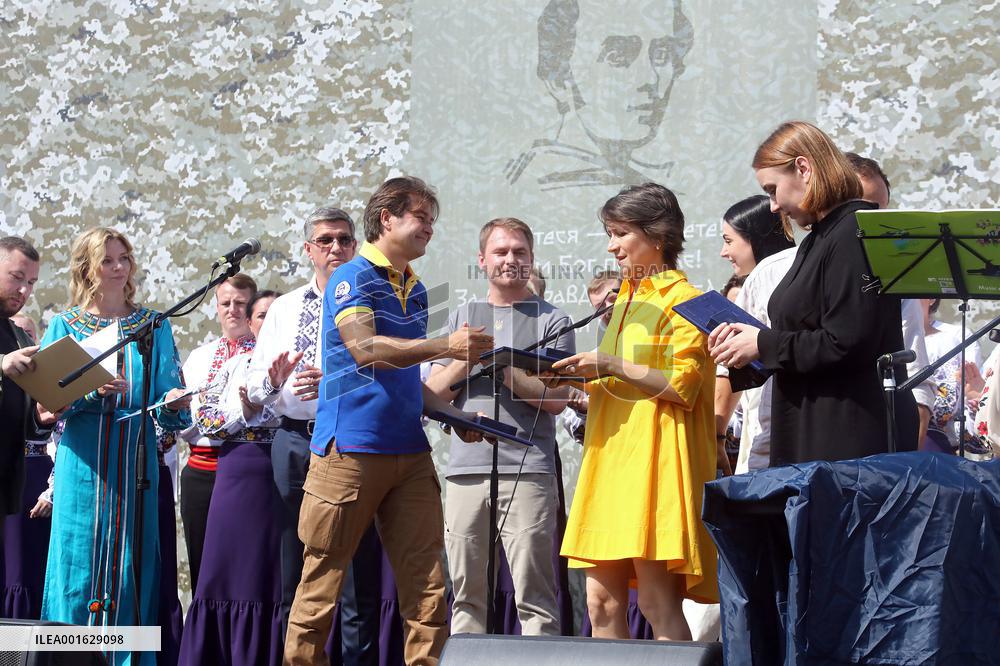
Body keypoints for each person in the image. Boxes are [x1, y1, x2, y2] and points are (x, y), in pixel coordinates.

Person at [283, 176, 494, 666]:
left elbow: (404, 381)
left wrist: (454, 415)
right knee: (321, 585)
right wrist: (446, 346)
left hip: (410, 453)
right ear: (387, 218)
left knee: (428, 588)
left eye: (431, 220)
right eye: (421, 217)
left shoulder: (415, 288)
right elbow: (365, 349)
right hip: (349, 453)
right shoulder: (351, 276)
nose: (429, 228)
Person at [542, 182, 719, 640]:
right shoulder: (624, 299)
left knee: (658, 603)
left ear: (657, 235)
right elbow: (624, 385)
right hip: (609, 461)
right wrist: (575, 377)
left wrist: (609, 363)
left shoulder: (686, 299)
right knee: (600, 604)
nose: (612, 246)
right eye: (610, 233)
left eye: (621, 233)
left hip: (651, 467)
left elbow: (682, 386)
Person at [709, 121, 918, 465]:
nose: (773, 205)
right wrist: (744, 343)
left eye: (772, 190)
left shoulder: (853, 234)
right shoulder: (822, 238)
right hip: (814, 433)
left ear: (804, 169)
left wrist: (762, 343)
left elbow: (846, 341)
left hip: (844, 444)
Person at [39, 228, 190, 666]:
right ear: (87, 268)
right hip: (82, 463)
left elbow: (167, 401)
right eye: (107, 260)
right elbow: (47, 403)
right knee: (76, 565)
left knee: (130, 567)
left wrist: (174, 402)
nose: (119, 267)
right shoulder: (64, 325)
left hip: (134, 463)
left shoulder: (153, 325)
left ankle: (128, 660)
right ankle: (67, 659)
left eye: (123, 257)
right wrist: (91, 391)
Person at [426, 217, 574, 636]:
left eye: (519, 252)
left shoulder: (553, 320)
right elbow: (434, 392)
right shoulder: (463, 316)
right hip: (465, 471)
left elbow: (557, 399)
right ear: (482, 260)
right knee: (466, 596)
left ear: (532, 258)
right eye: (501, 251)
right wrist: (467, 358)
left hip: (527, 471)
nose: (510, 259)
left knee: (534, 596)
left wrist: (504, 366)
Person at [246, 207, 359, 640]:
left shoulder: (371, 300)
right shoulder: (285, 307)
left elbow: (394, 371)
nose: (335, 247)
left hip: (351, 441)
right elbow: (256, 385)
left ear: (355, 247)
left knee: (353, 572)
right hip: (294, 440)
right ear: (309, 249)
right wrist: (274, 383)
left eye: (344, 239)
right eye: (325, 240)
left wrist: (335, 383)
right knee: (294, 562)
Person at [180, 289, 285, 665]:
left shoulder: (301, 363)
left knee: (276, 573)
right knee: (227, 572)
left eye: (275, 314)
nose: (268, 322)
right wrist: (245, 410)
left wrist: (265, 403)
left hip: (284, 472)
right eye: (261, 315)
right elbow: (206, 421)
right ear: (250, 323)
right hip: (238, 473)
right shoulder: (233, 366)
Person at [508, 0, 693, 189]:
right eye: (617, 56)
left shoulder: (657, 179)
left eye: (662, 55)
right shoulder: (550, 185)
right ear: (558, 80)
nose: (650, 79)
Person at [845, 151, 937, 448]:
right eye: (863, 211)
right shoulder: (779, 271)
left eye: (881, 213)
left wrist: (910, 458)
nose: (876, 225)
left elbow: (915, 376)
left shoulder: (895, 281)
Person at [179, 274, 256, 592]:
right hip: (200, 469)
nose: (233, 309)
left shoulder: (263, 356)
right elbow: (183, 414)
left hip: (245, 467)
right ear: (216, 306)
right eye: (226, 303)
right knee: (201, 559)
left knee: (242, 563)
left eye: (241, 303)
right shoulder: (200, 356)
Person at [714, 195, 795, 474]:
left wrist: (717, 435)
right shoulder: (803, 264)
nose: (724, 252)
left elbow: (729, 366)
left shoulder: (763, 275)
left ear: (755, 237)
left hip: (770, 432)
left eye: (729, 241)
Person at [2, 304, 57, 620]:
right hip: (9, 472)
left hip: (36, 476)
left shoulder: (43, 379)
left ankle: (24, 636)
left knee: (28, 565)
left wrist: (43, 419)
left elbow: (57, 437)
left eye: (30, 337)